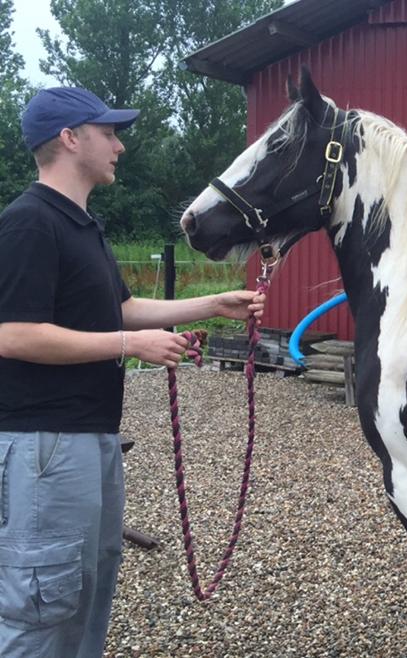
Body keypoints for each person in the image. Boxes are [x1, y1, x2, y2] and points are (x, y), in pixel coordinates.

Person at [0, 87, 266, 657]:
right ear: (70, 139)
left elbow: (120, 311)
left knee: (87, 595)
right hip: (45, 445)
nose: (119, 145)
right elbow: (14, 335)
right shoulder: (28, 224)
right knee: (44, 609)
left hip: (90, 438)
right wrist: (128, 344)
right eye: (109, 133)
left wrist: (212, 304)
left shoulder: (81, 227)